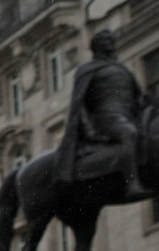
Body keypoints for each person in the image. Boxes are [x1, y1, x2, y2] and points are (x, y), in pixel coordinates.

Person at [58, 28, 151, 201]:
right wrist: (89, 129)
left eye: (111, 39)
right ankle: (132, 184)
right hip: (106, 118)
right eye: (105, 39)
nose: (111, 41)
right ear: (97, 46)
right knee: (129, 133)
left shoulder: (122, 69)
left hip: (129, 116)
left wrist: (144, 100)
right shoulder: (87, 69)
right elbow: (80, 104)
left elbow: (138, 95)